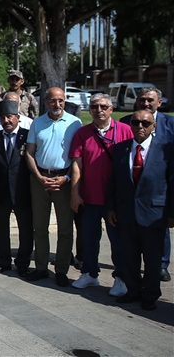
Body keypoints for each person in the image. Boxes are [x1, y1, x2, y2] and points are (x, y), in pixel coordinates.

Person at [108, 110, 173, 311]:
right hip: (126, 213)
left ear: (154, 126)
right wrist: (111, 208)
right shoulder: (120, 149)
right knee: (130, 256)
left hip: (154, 213)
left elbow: (171, 183)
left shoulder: (166, 150)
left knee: (153, 259)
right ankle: (133, 290)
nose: (140, 127)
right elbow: (113, 181)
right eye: (136, 122)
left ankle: (151, 295)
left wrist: (171, 213)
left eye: (145, 123)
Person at [69, 93, 133, 294]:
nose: (99, 110)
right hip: (89, 195)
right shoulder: (82, 133)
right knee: (89, 238)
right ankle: (90, 273)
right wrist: (75, 193)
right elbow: (77, 165)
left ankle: (121, 278)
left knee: (118, 240)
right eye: (95, 107)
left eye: (103, 106)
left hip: (115, 199)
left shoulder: (125, 131)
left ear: (111, 109)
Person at [25, 87, 83, 286]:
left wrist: (67, 178)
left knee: (65, 228)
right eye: (52, 101)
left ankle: (61, 270)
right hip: (40, 178)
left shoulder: (75, 123)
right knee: (39, 227)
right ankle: (41, 267)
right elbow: (29, 153)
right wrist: (39, 177)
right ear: (46, 102)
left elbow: (78, 157)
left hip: (64, 180)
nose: (57, 105)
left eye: (60, 101)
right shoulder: (37, 123)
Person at [121, 86, 174, 281]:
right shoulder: (127, 122)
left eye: (150, 100)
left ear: (159, 103)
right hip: (133, 186)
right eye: (142, 99)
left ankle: (162, 265)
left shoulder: (170, 124)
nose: (146, 103)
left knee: (160, 234)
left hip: (157, 191)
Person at [0, 100, 33, 276]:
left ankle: (23, 263)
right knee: (1, 228)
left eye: (10, 117)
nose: (6, 121)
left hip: (23, 192)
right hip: (0, 191)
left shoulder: (27, 136)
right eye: (3, 118)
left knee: (25, 229)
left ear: (18, 118)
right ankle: (3, 261)